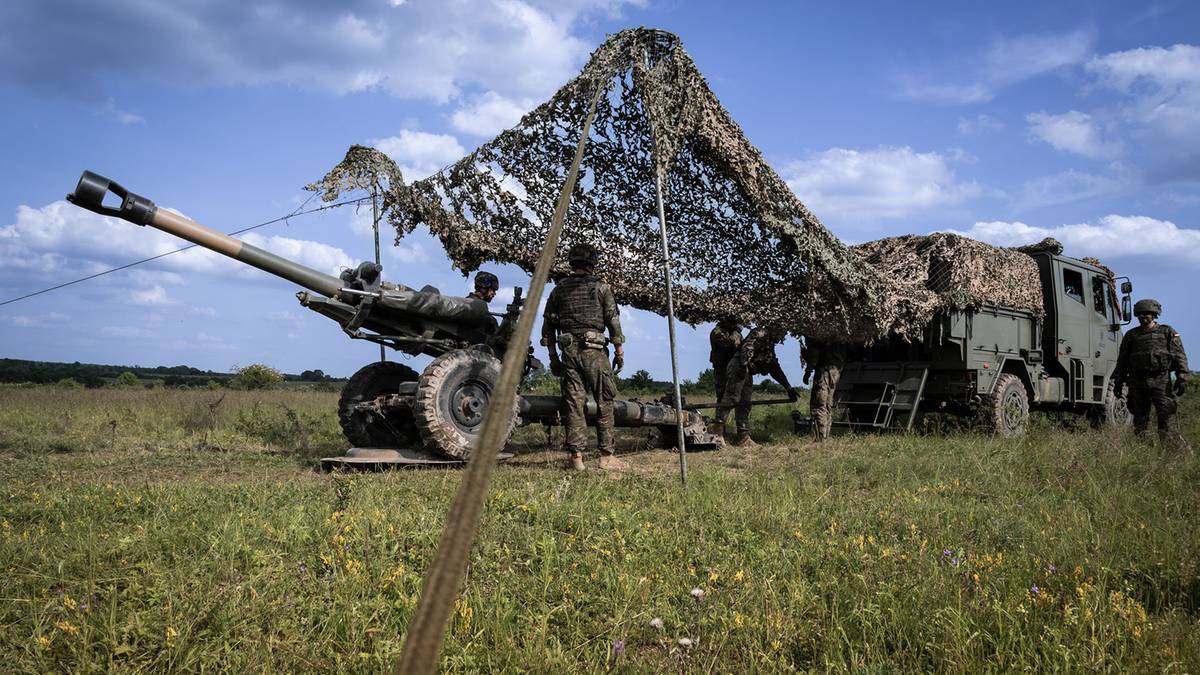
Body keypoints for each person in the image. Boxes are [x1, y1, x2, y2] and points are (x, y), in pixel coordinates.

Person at [541, 243, 626, 471]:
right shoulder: (601, 287)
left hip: (568, 352)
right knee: (604, 401)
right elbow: (613, 322)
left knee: (574, 404)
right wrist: (619, 352)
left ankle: (576, 459)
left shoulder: (559, 289)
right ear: (592, 263)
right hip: (595, 351)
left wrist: (553, 358)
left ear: (572, 262)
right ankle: (606, 456)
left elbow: (548, 327)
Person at [1111, 298, 1189, 442]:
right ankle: (1143, 449)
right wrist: (1118, 382)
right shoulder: (1131, 335)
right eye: (1139, 314)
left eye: (1146, 314)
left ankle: (1168, 449)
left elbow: (1179, 355)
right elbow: (1122, 361)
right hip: (1137, 381)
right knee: (1140, 418)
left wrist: (1182, 378)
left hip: (1161, 380)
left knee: (1166, 414)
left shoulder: (1167, 332)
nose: (1142, 317)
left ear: (1154, 315)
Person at [713, 326, 797, 447]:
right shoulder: (761, 333)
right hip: (739, 366)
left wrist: (789, 388)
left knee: (745, 403)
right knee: (731, 399)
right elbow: (747, 349)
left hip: (746, 370)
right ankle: (717, 433)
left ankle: (743, 437)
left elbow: (774, 367)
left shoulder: (769, 346)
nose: (782, 337)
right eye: (782, 333)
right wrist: (743, 367)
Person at [802, 336, 848, 440]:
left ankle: (820, 438)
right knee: (827, 405)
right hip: (836, 370)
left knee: (818, 404)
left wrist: (808, 371)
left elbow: (814, 353)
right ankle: (825, 436)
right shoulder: (839, 335)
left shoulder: (819, 333)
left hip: (824, 371)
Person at [709, 319, 742, 403]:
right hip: (722, 367)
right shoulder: (717, 332)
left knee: (738, 395)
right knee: (722, 395)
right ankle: (720, 416)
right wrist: (737, 331)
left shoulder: (733, 332)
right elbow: (728, 343)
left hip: (734, 366)